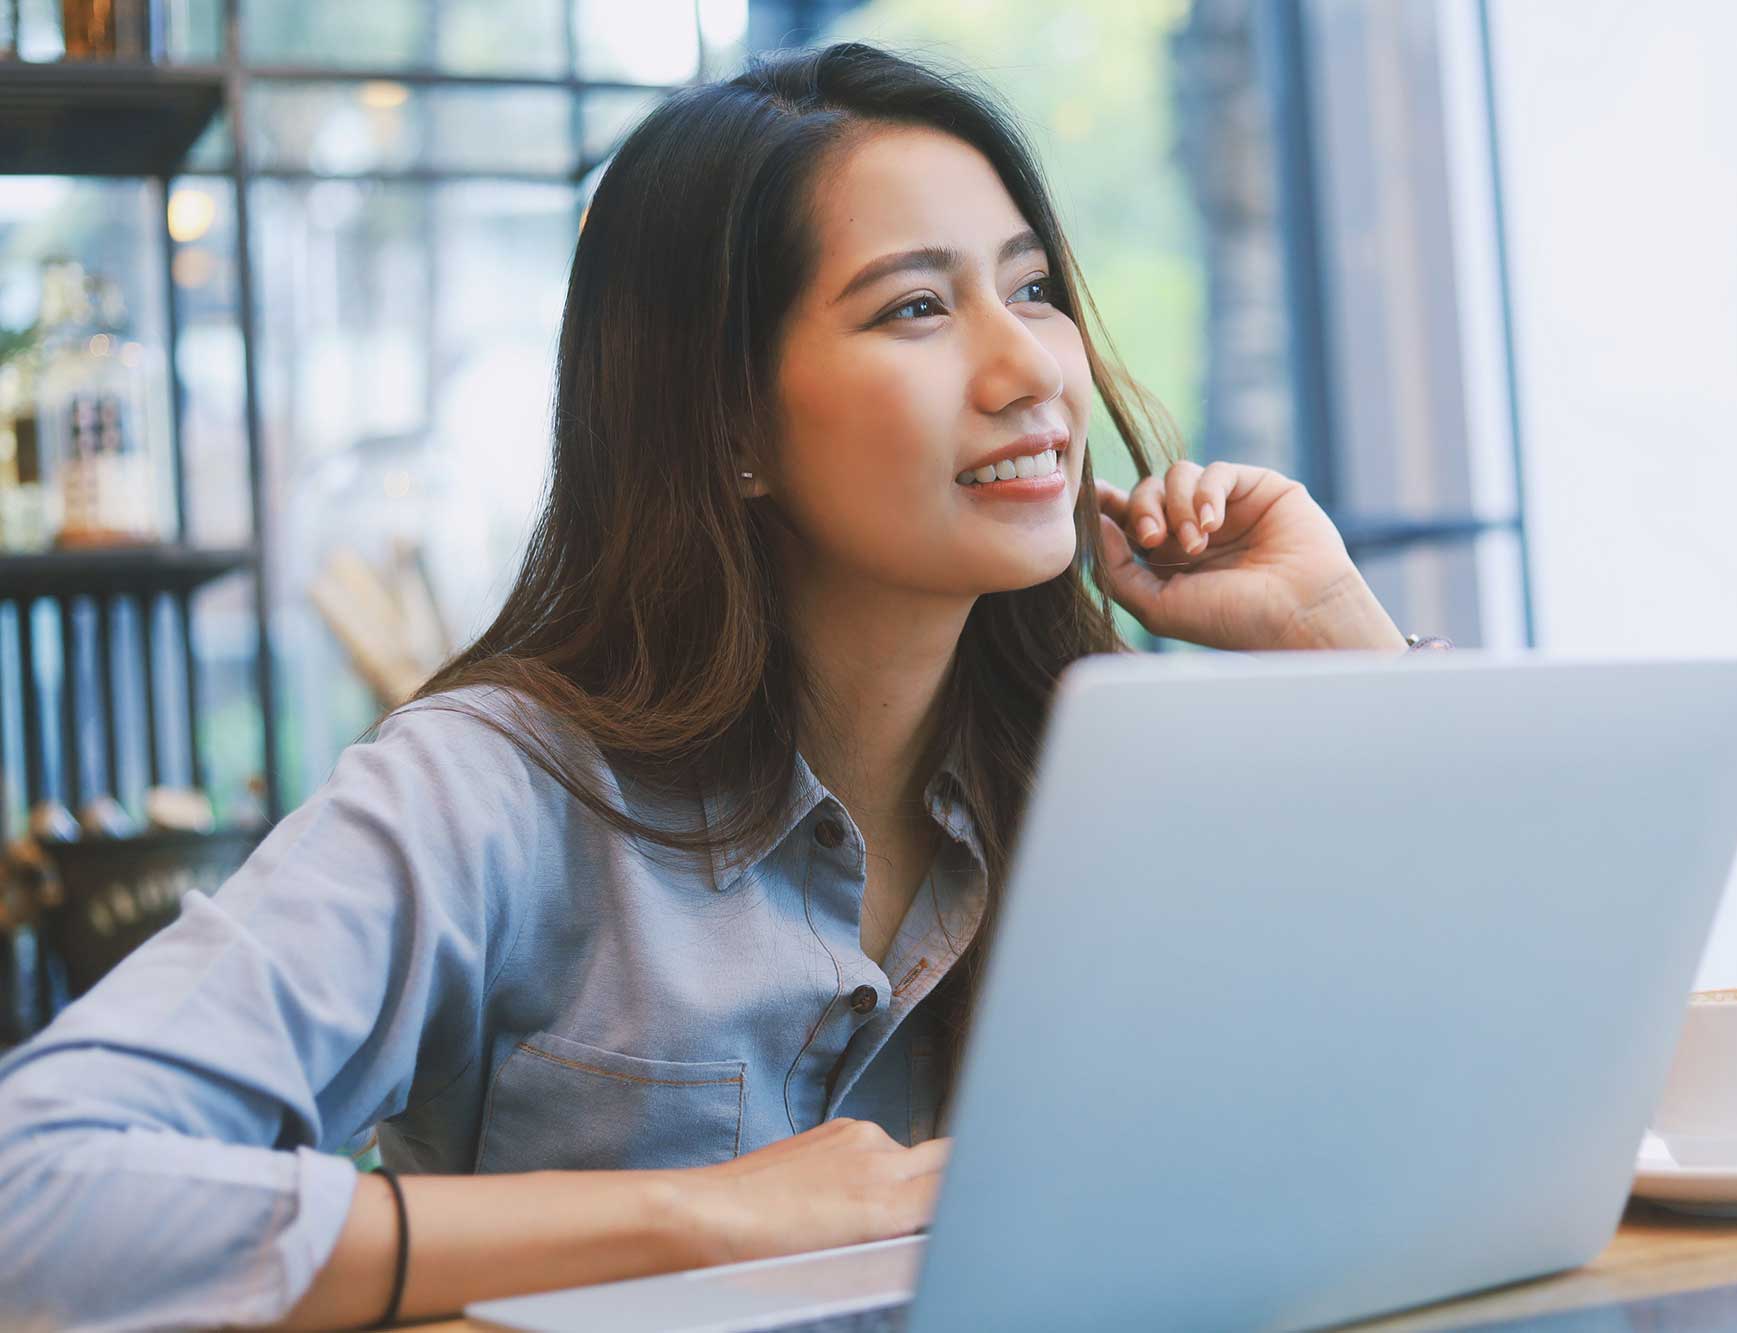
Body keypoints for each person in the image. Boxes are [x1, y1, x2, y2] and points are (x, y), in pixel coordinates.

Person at [0, 41, 1433, 1332]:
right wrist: (706, 1216)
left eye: (1035, 287)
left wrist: (1335, 641)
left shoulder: (1104, 769)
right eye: (918, 308)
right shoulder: (494, 786)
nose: (1030, 369)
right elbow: (38, 1198)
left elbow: (1438, 1115)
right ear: (731, 421)